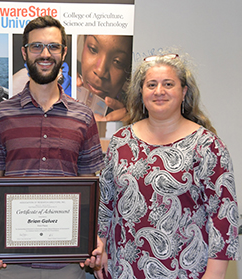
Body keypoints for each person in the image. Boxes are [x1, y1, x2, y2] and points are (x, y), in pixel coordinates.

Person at [0, 16, 105, 279]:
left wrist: (90, 238)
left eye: (53, 47)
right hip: (12, 261)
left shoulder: (83, 116)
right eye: (36, 47)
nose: (45, 54)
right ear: (24, 52)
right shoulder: (1, 114)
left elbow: (89, 186)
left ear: (64, 52)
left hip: (68, 261)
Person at [96, 52, 240, 279]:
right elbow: (105, 201)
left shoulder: (207, 145)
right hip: (124, 269)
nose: (159, 91)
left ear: (183, 92)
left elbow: (223, 215)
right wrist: (100, 244)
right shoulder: (121, 141)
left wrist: (216, 272)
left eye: (168, 84)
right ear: (141, 93)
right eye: (151, 84)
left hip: (187, 271)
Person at [76, 35, 132, 122]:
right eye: (93, 49)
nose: (100, 71)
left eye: (118, 61)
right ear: (84, 42)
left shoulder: (132, 119)